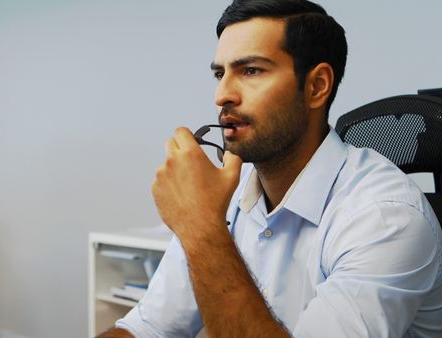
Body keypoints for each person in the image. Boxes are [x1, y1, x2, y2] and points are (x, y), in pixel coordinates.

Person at [98, 0, 442, 337]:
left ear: (316, 86)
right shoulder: (229, 190)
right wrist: (201, 222)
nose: (222, 95)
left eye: (251, 70)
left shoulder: (386, 217)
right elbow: (150, 327)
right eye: (220, 73)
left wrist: (201, 226)